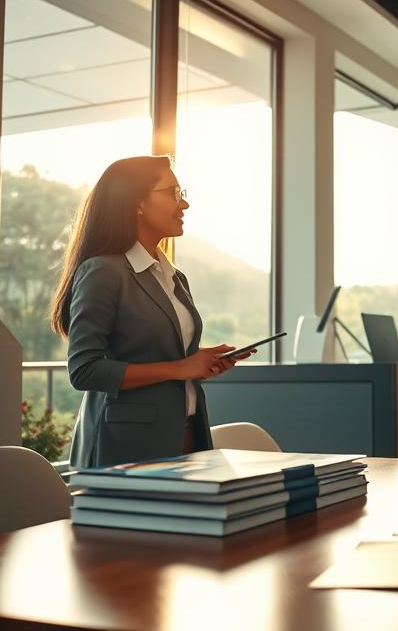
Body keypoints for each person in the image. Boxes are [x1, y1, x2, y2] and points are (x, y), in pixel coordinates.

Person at [50, 155, 257, 469]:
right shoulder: (104, 271)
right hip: (126, 448)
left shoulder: (172, 275)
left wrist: (202, 363)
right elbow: (84, 370)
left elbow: (161, 356)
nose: (183, 204)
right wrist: (180, 368)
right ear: (137, 203)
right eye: (173, 193)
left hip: (186, 437)